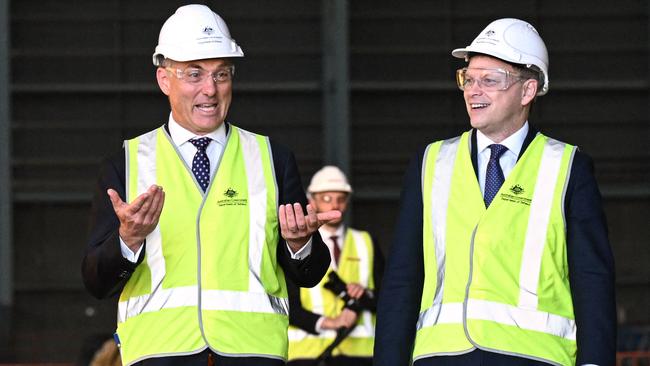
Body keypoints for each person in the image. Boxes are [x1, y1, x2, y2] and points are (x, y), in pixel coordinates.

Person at [81, 4, 338, 366]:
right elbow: (96, 281)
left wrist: (300, 245)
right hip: (159, 354)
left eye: (221, 74)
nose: (210, 90)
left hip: (253, 352)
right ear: (164, 79)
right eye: (194, 74)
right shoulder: (125, 163)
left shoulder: (272, 158)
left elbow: (309, 274)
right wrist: (128, 240)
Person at [374, 18, 616, 366]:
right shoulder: (430, 163)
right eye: (468, 79)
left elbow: (591, 279)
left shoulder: (568, 167)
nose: (474, 91)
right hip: (441, 356)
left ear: (528, 91)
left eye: (490, 80)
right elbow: (402, 279)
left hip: (534, 358)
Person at [286, 166, 384, 366]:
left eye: (340, 198)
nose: (335, 205)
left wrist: (365, 295)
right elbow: (285, 303)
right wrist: (329, 323)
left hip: (359, 356)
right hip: (308, 356)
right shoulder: (296, 243)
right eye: (326, 198)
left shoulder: (365, 242)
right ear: (311, 201)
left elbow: (388, 297)